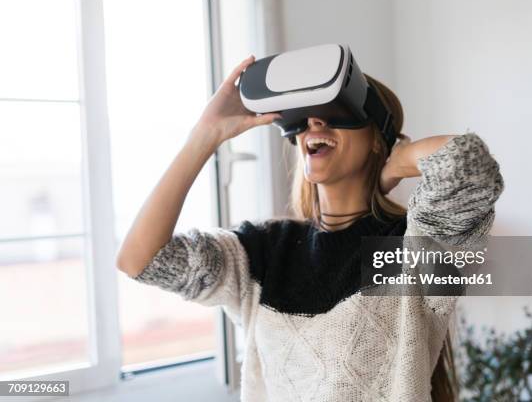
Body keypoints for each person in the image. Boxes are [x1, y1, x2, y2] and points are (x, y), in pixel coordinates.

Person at [117, 55, 504, 401]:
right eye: (301, 119)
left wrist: (396, 161)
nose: (313, 123)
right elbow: (142, 259)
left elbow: (467, 164)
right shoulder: (262, 251)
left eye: (336, 110)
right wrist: (206, 134)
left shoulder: (412, 247)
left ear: (376, 138)